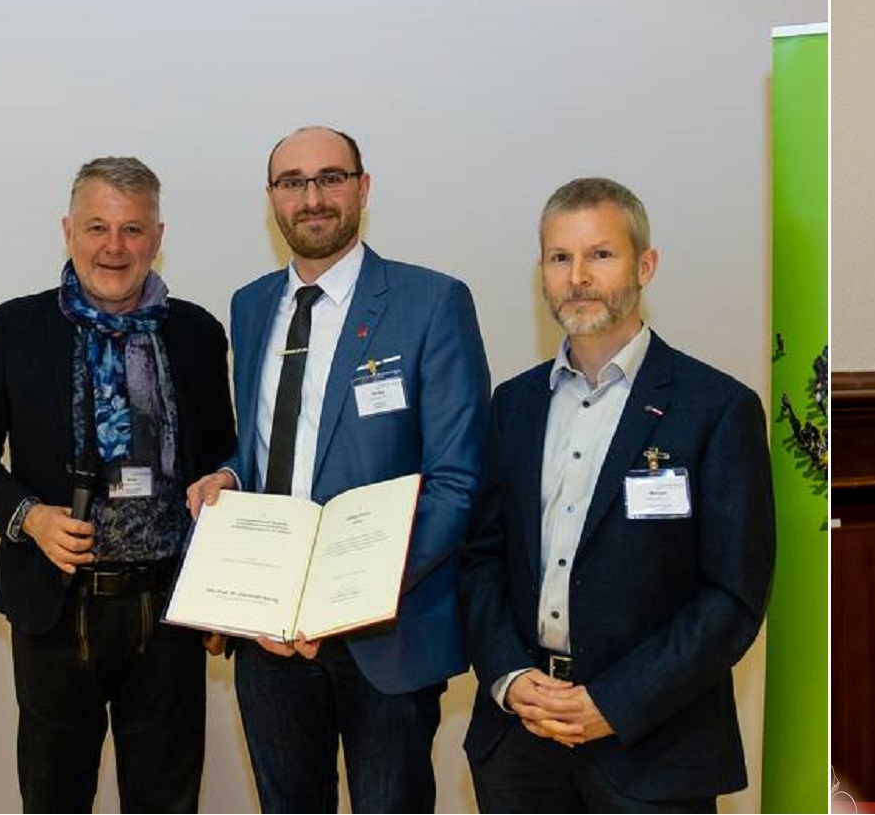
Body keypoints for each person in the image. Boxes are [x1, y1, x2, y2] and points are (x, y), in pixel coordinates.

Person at [184, 126, 489, 812]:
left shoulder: (431, 302)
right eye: (292, 182)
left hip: (385, 632)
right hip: (268, 636)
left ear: (363, 187)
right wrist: (230, 477)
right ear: (272, 198)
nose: (312, 198)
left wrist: (348, 599)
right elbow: (266, 445)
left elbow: (457, 480)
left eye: (330, 178)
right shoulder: (251, 305)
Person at [459, 177, 775, 812]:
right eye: (560, 257)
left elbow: (732, 597)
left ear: (645, 266)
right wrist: (509, 677)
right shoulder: (513, 405)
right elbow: (480, 558)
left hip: (652, 747)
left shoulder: (717, 408)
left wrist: (615, 702)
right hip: (521, 743)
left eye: (600, 254)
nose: (578, 277)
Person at [0, 157, 236, 812]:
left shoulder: (196, 333)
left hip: (168, 615)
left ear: (158, 237)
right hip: (57, 609)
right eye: (97, 227)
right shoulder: (17, 328)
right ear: (68, 230)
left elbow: (222, 461)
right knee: (54, 799)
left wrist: (222, 584)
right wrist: (31, 517)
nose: (113, 247)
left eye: (132, 229)